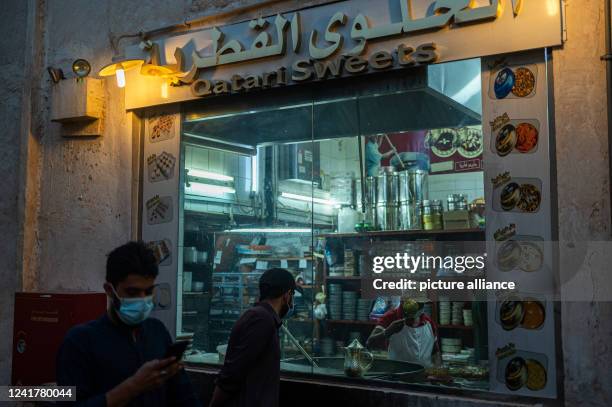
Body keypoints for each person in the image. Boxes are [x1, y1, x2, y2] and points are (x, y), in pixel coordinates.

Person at [56, 241, 201, 407]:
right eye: (132, 292)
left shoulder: (157, 332)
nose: (142, 299)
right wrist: (133, 387)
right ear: (110, 290)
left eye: (148, 291)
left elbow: (184, 395)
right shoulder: (79, 342)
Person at [208, 268, 299, 407]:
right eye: (292, 295)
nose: (292, 303)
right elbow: (233, 373)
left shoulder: (265, 318)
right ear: (287, 295)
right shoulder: (261, 319)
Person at [366, 298, 439, 367]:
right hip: (398, 377)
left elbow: (435, 352)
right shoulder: (390, 318)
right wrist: (388, 331)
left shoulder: (429, 322)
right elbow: (370, 343)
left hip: (425, 377)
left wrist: (439, 369)